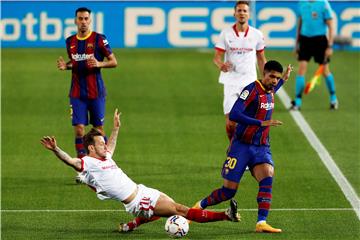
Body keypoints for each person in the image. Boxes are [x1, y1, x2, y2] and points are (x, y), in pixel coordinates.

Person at [40, 109, 240, 233]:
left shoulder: (104, 156)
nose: (104, 145)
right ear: (91, 147)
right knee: (181, 210)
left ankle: (132, 225)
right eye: (100, 143)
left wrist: (116, 128)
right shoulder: (88, 162)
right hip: (137, 202)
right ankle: (225, 215)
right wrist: (56, 149)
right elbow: (70, 161)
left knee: (168, 208)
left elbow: (111, 146)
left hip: (142, 190)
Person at [193, 61, 293, 233]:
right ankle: (196, 208)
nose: (275, 81)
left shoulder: (270, 89)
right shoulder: (251, 90)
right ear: (264, 73)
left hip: (261, 147)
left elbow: (271, 91)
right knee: (228, 192)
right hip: (241, 146)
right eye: (272, 77)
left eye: (277, 78)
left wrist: (284, 79)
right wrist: (261, 123)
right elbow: (234, 114)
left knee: (267, 176)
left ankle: (261, 223)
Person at [57, 7, 117, 160]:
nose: (83, 22)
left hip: (96, 92)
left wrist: (99, 64)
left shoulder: (99, 39)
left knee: (98, 129)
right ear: (75, 21)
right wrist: (67, 66)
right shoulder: (70, 41)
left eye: (86, 19)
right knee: (79, 130)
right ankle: (82, 167)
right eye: (80, 19)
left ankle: (104, 163)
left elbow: (113, 62)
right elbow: (76, 62)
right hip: (77, 93)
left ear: (90, 20)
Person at [214, 1, 267, 141]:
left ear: (249, 14)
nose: (242, 13)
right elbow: (216, 58)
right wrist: (221, 65)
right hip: (231, 82)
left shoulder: (257, 34)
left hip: (249, 83)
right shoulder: (226, 34)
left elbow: (261, 59)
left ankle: (244, 154)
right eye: (239, 10)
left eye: (244, 11)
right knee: (231, 123)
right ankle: (233, 150)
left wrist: (266, 81)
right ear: (234, 13)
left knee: (249, 121)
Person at [291, 0, 338, 110]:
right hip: (305, 40)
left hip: (320, 41)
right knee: (301, 69)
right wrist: (296, 43)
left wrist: (330, 46)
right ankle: (297, 101)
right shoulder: (302, 3)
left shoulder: (323, 3)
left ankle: (333, 98)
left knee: (325, 71)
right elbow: (300, 23)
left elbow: (331, 25)